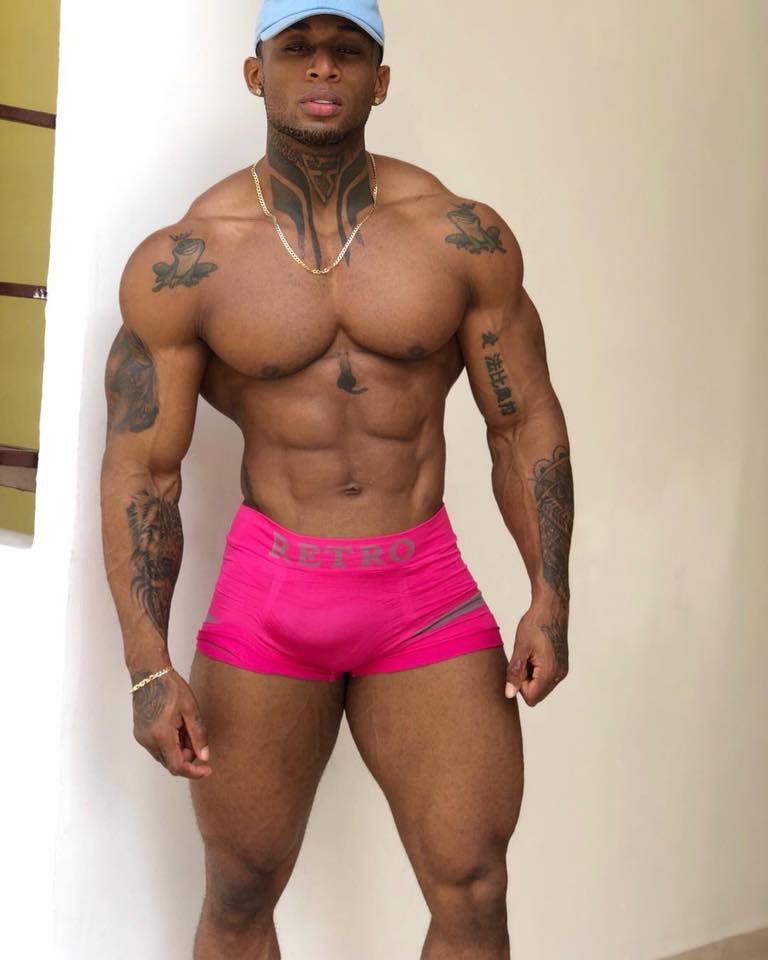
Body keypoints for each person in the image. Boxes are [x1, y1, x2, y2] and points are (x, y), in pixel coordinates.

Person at [100, 1, 574, 956]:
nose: (323, 69)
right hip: (273, 593)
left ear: (380, 81)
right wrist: (148, 665)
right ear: (256, 72)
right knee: (240, 891)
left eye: (347, 51)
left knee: (474, 884)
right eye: (299, 50)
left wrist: (550, 594)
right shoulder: (188, 260)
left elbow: (522, 423)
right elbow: (144, 468)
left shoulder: (460, 236)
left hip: (422, 591)